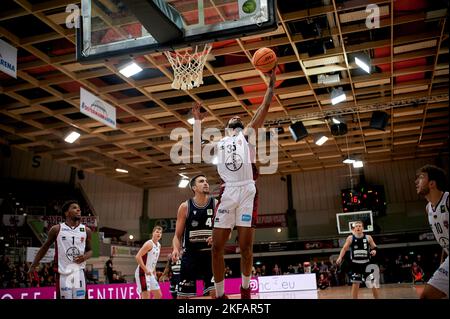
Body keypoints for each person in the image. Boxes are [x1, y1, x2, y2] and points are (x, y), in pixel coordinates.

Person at [192, 68, 276, 299]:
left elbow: (263, 109)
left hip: (248, 189)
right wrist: (197, 122)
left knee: (246, 249)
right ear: (226, 129)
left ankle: (246, 288)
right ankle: (220, 295)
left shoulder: (246, 136)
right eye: (233, 122)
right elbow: (199, 148)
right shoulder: (219, 143)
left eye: (239, 121)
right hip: (228, 192)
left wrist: (270, 86)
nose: (237, 123)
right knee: (217, 247)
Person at [28, 200, 92, 299]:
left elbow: (90, 251)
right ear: (66, 213)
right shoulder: (56, 229)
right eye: (74, 208)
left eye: (79, 208)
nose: (78, 209)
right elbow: (44, 247)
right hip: (63, 273)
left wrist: (84, 257)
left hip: (79, 272)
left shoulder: (86, 230)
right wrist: (33, 265)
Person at [172, 174, 216, 298]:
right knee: (183, 297)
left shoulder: (216, 204)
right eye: (202, 181)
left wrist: (217, 238)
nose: (206, 183)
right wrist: (176, 249)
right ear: (194, 188)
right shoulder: (185, 207)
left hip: (210, 255)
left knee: (216, 294)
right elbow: (177, 236)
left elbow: (226, 231)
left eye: (207, 181)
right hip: (190, 255)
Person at [415, 164, 449, 299]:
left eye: (421, 178)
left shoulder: (448, 200)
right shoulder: (428, 208)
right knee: (426, 296)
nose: (416, 181)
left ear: (432, 183)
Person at [336, 221, 379, 299]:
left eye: (360, 226)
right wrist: (340, 257)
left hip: (367, 264)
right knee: (356, 284)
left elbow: (375, 247)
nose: (358, 227)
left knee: (372, 283)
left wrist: (374, 251)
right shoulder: (350, 238)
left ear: (362, 228)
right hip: (356, 265)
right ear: (354, 228)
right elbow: (344, 248)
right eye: (356, 226)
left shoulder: (368, 237)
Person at [135, 226, 163, 299]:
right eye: (157, 232)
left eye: (160, 232)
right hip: (142, 273)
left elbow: (154, 260)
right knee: (146, 297)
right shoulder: (149, 244)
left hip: (150, 274)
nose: (159, 234)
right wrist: (145, 270)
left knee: (158, 295)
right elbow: (138, 256)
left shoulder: (159, 245)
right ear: (153, 233)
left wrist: (154, 271)